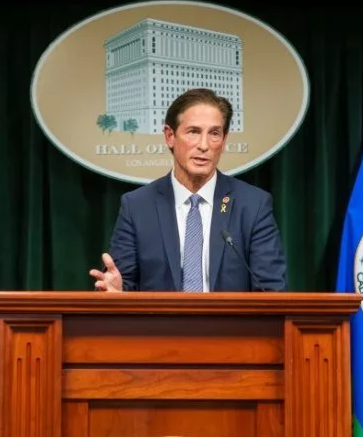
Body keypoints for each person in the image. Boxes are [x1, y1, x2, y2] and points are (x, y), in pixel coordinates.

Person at [89, 88, 287, 292]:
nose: (204, 145)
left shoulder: (253, 205)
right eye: (193, 132)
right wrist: (117, 291)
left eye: (214, 134)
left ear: (224, 141)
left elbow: (271, 291)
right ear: (170, 136)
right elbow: (122, 286)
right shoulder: (137, 206)